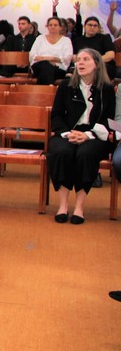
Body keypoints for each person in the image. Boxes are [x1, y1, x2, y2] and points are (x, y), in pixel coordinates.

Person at [48, 49, 114, 225]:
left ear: (97, 64)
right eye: (78, 60)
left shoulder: (106, 89)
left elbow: (109, 120)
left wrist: (88, 134)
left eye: (86, 59)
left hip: (94, 134)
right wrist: (67, 133)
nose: (81, 63)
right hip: (68, 132)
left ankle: (79, 207)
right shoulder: (66, 85)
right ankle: (63, 205)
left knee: (86, 154)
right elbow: (56, 115)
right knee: (61, 152)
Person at [29, 17, 73, 85]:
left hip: (58, 69)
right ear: (47, 27)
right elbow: (32, 55)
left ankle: (44, 89)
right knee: (45, 65)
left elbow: (67, 58)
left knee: (46, 69)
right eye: (50, 25)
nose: (53, 27)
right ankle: (49, 88)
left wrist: (50, 59)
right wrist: (48, 60)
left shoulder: (66, 40)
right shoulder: (40, 38)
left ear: (60, 27)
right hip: (39, 66)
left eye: (55, 25)